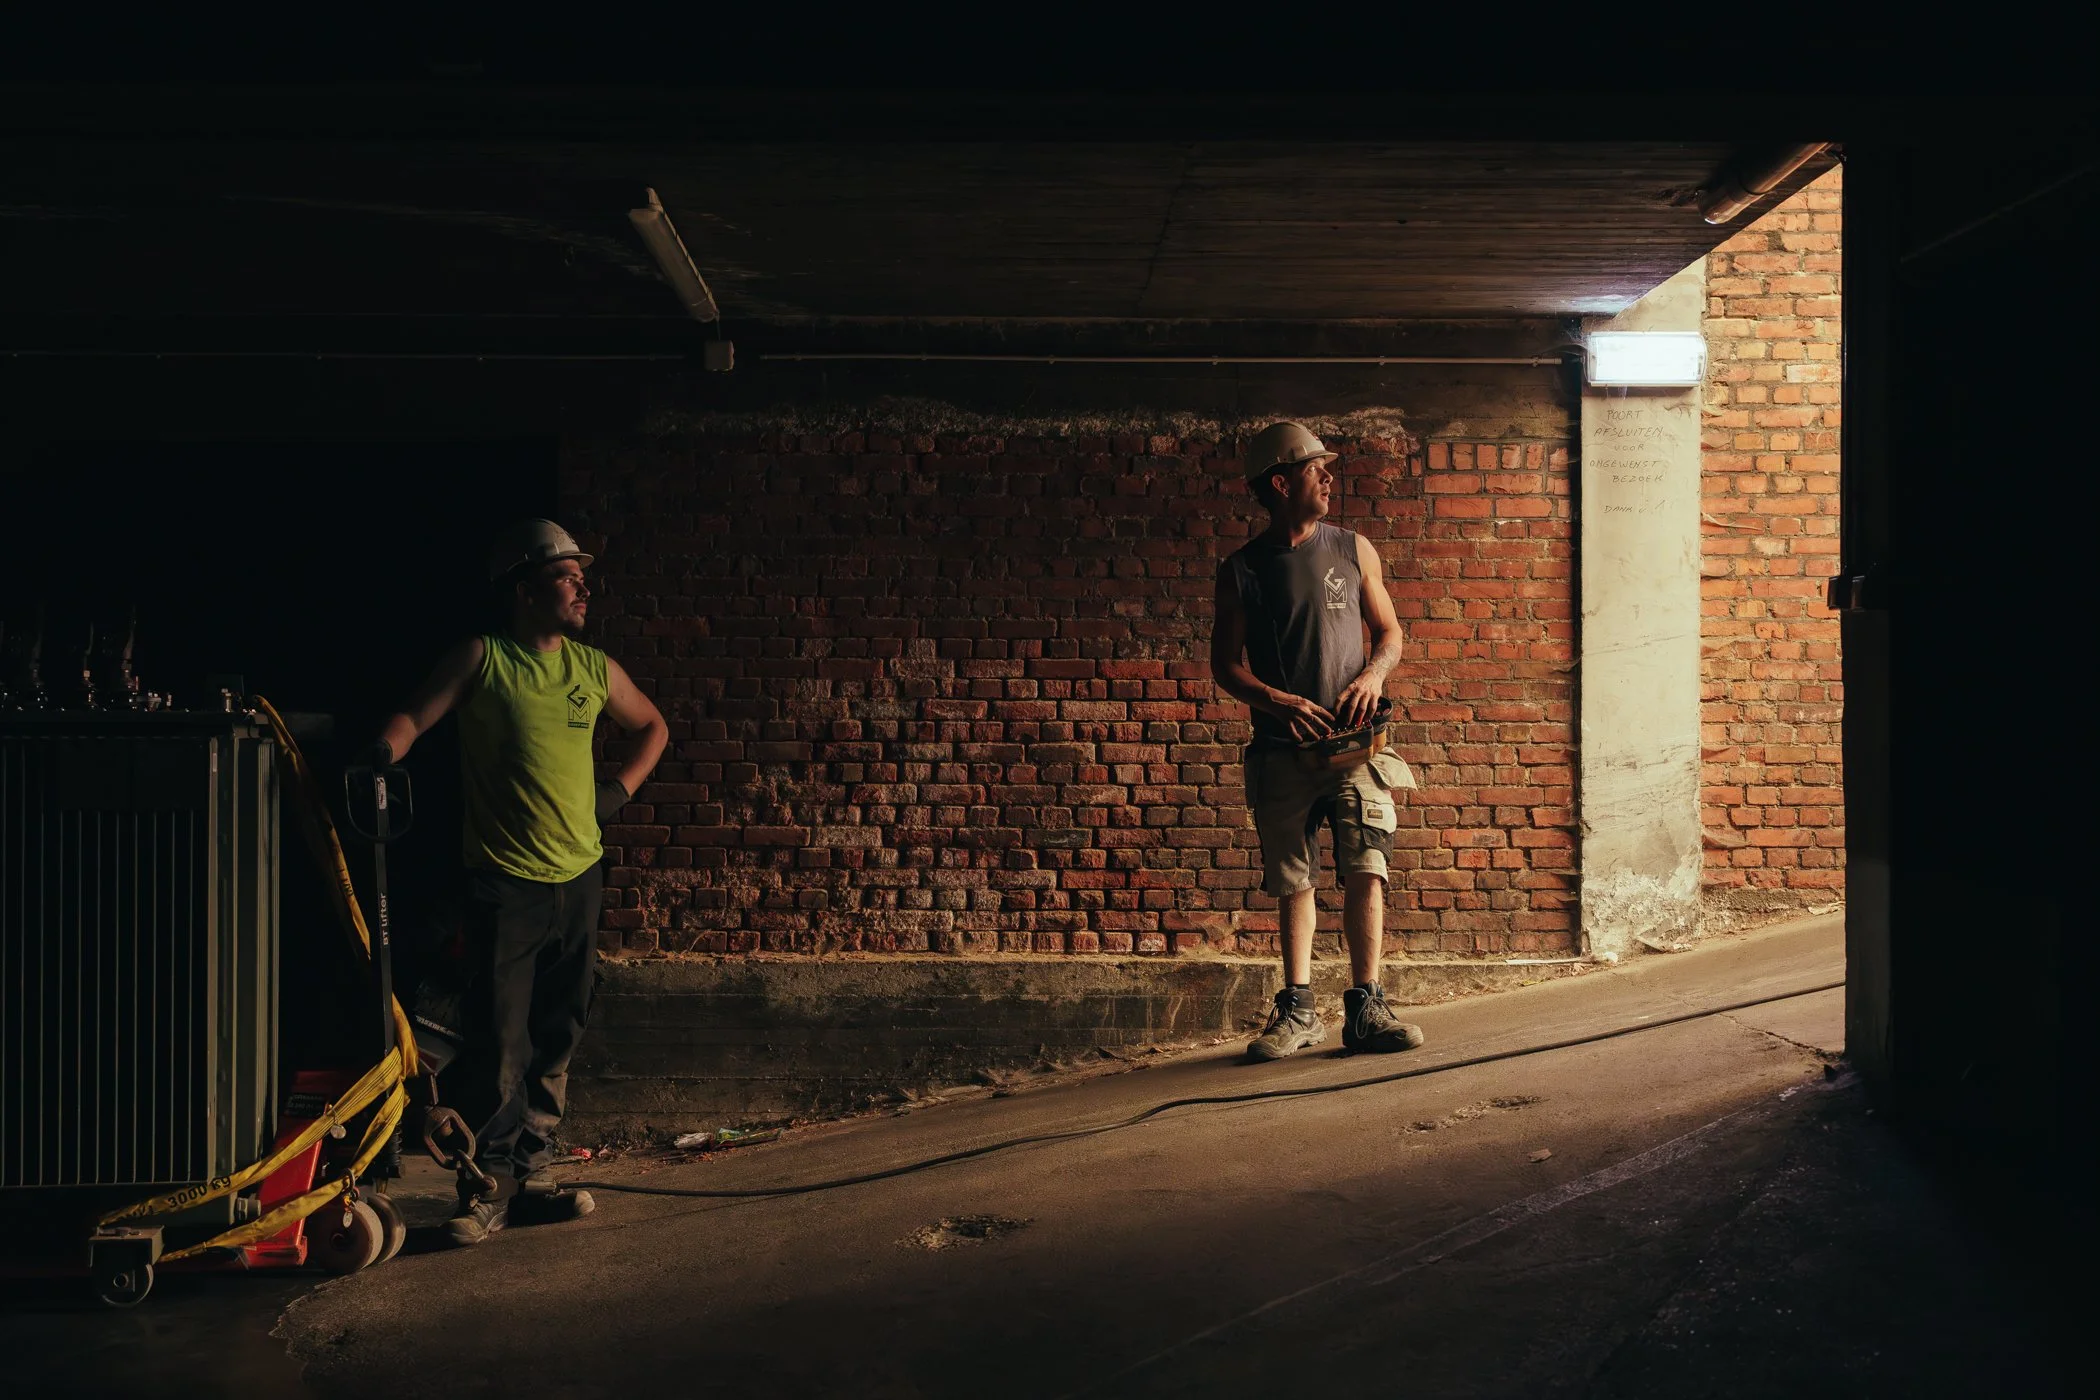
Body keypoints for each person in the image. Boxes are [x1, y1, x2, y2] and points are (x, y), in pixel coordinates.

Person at [366, 519, 667, 1244]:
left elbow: (653, 725)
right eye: (568, 576)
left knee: (556, 1033)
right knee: (500, 1042)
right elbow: (414, 715)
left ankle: (533, 1179)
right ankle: (482, 1190)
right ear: (525, 589)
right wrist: (380, 753)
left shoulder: (593, 669)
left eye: (580, 575)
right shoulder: (485, 658)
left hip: (579, 879)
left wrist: (617, 792)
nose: (583, 586)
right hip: (506, 884)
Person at [1211, 423, 1425, 1061]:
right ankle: (1299, 1010)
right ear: (1282, 483)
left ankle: (1366, 1007)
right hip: (1282, 750)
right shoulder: (1242, 569)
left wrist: (1372, 673)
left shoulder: (1353, 548)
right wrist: (1276, 700)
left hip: (1357, 746)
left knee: (1366, 866)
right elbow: (1226, 665)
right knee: (1293, 879)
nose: (1329, 478)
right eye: (1316, 469)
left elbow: (1389, 634)